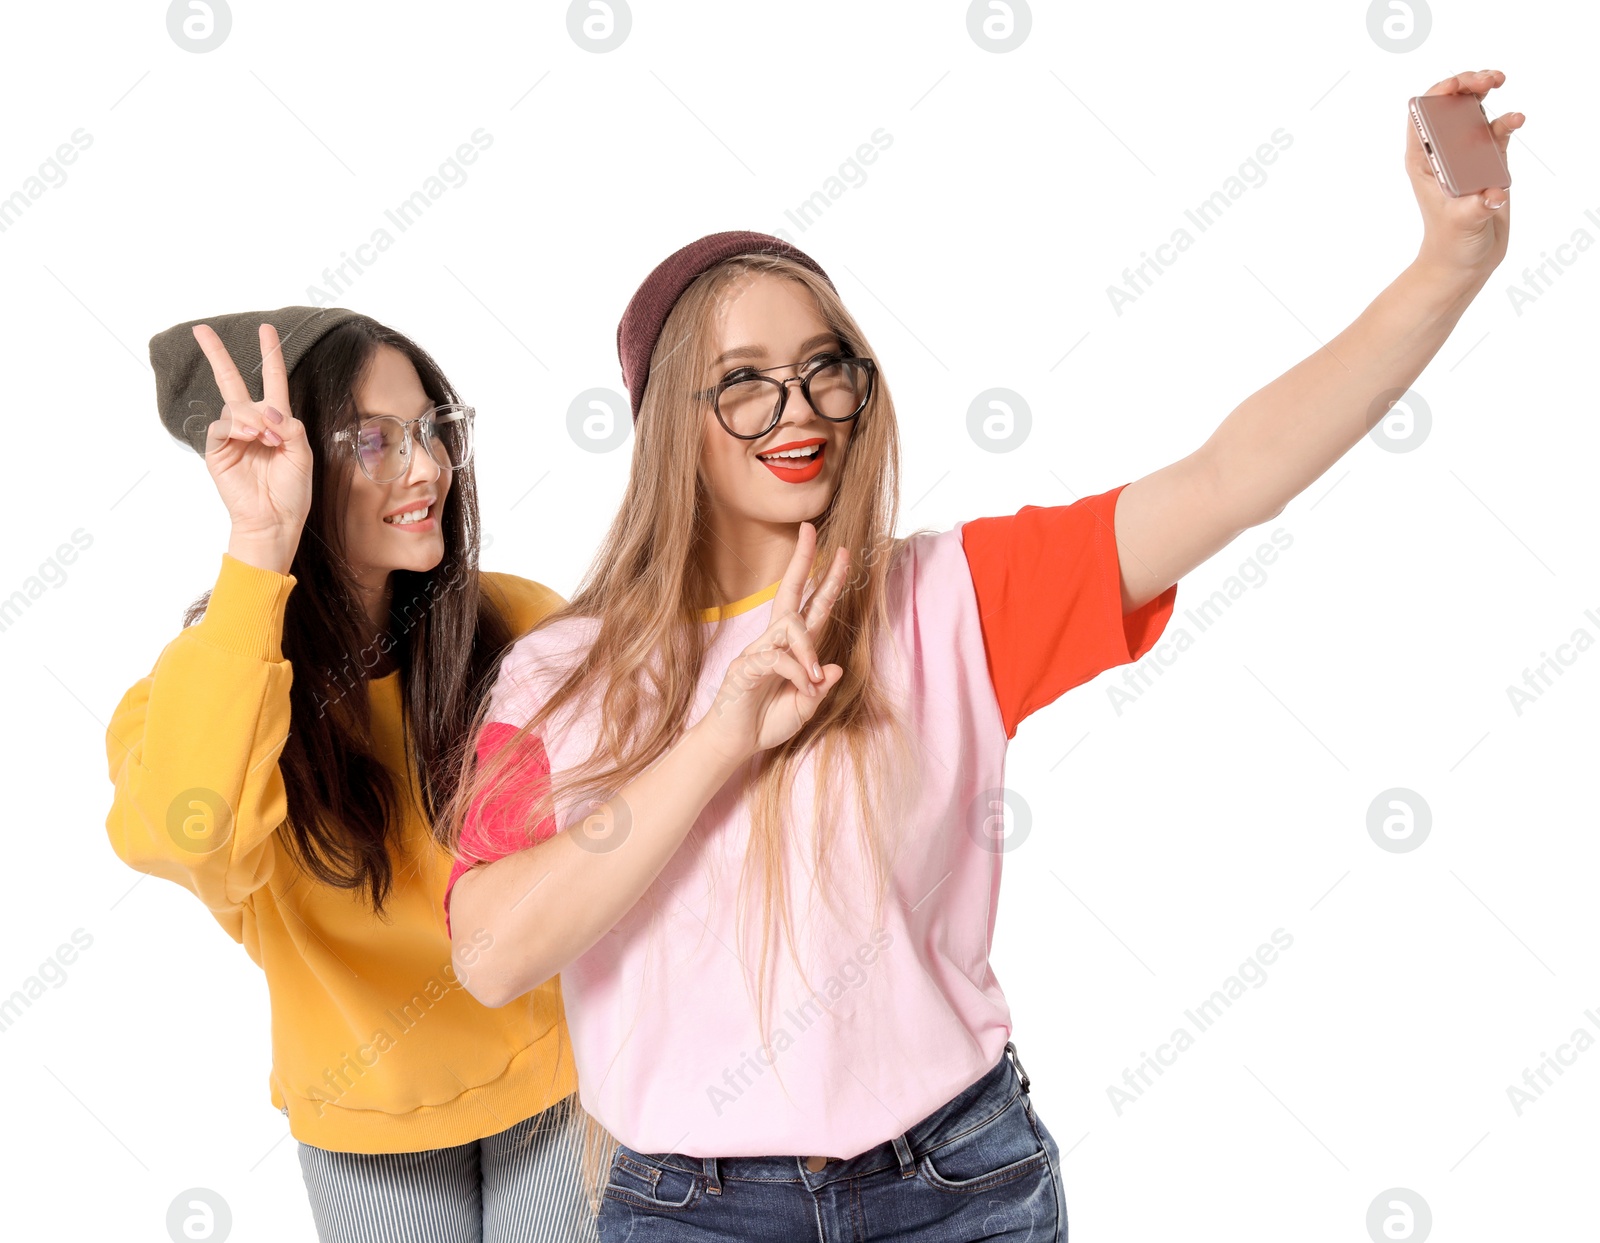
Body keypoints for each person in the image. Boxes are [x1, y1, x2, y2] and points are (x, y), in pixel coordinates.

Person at [442, 70, 1519, 1241]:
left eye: (824, 366)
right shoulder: (562, 671)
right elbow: (492, 956)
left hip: (956, 1185)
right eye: (742, 381)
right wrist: (719, 738)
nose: (796, 408)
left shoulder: (945, 597)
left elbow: (1227, 477)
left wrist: (1446, 266)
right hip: (692, 1209)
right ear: (665, 421)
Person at [104, 307, 599, 1242]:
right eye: (371, 439)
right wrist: (262, 541)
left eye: (430, 429)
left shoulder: (522, 627)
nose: (426, 468)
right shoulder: (208, 681)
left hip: (560, 1079)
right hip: (366, 1119)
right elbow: (186, 833)